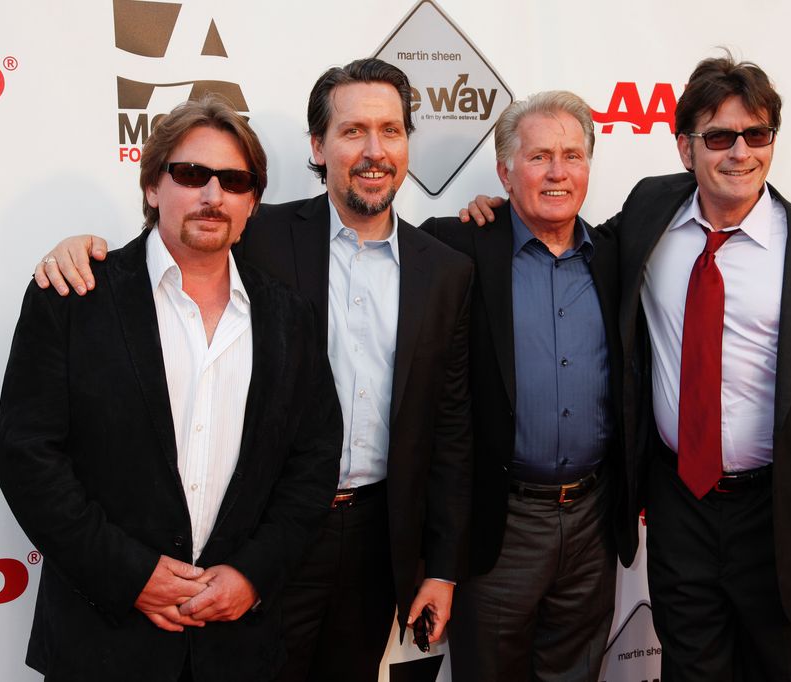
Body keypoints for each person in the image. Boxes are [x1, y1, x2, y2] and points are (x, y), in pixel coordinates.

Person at [470, 55, 791, 681]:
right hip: (680, 510)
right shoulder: (650, 214)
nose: (740, 152)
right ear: (685, 148)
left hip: (780, 520)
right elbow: (564, 232)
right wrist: (501, 208)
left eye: (756, 135)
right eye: (718, 137)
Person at [31, 58, 474, 682]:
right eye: (352, 132)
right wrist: (73, 248)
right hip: (265, 535)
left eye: (391, 130)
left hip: (377, 536)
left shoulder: (447, 266)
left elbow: (450, 428)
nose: (374, 150)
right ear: (318, 147)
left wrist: (441, 564)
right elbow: (169, 242)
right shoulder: (251, 230)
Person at [0, 95, 342, 681]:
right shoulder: (76, 296)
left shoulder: (290, 316)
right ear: (153, 186)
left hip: (237, 646)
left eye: (234, 181)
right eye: (190, 174)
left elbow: (312, 465)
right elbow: (27, 457)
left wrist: (252, 573)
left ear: (252, 202)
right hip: (102, 643)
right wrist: (131, 576)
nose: (212, 195)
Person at [422, 91, 625, 682]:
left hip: (593, 520)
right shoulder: (456, 244)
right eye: (539, 157)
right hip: (500, 524)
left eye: (572, 155)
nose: (558, 172)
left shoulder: (616, 254)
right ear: (504, 170)